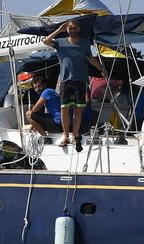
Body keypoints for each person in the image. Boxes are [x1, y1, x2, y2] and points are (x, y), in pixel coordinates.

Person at [43, 20, 104, 151]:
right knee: (64, 109)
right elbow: (46, 41)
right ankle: (66, 136)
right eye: (70, 27)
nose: (72, 29)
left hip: (80, 81)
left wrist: (101, 69)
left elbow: (90, 58)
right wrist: (59, 30)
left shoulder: (85, 43)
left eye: (74, 27)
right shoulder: (60, 42)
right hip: (65, 81)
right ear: (67, 29)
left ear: (79, 29)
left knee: (78, 110)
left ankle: (75, 135)